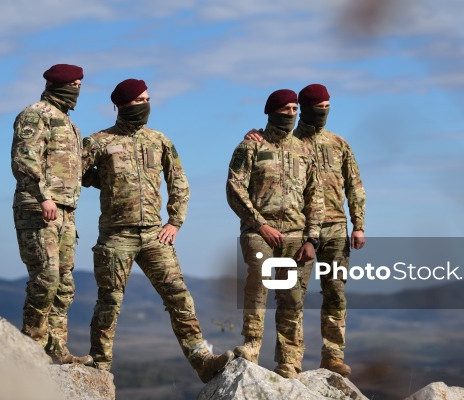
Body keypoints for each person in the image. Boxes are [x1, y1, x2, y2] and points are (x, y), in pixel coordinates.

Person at [81, 78, 234, 383]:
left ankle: (202, 360)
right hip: (116, 236)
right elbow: (73, 171)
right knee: (109, 303)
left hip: (155, 235)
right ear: (123, 105)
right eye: (140, 100)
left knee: (179, 297)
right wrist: (103, 181)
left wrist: (175, 222)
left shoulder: (159, 140)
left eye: (148, 99)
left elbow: (179, 182)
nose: (146, 105)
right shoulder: (98, 142)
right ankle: (99, 370)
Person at [244, 84, 366, 377]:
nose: (323, 111)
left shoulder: (339, 144)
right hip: (298, 229)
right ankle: (290, 359)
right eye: (318, 107)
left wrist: (358, 224)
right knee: (292, 295)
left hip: (335, 228)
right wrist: (255, 134)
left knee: (335, 292)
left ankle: (333, 355)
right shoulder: (288, 140)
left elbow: (355, 186)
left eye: (327, 106)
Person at [226, 89, 324, 378]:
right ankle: (252, 346)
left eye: (295, 109)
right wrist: (259, 224)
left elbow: (314, 196)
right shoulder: (250, 147)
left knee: (292, 298)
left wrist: (312, 238)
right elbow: (234, 188)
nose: (292, 114)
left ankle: (289, 361)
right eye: (286, 109)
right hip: (259, 231)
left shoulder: (304, 150)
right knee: (258, 284)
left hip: (297, 236)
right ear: (271, 112)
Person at [11, 64, 92, 365]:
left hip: (66, 213)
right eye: (73, 84)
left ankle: (56, 348)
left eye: (79, 85)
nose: (77, 90)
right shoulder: (35, 114)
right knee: (45, 277)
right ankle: (31, 344)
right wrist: (44, 196)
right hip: (38, 207)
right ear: (58, 85)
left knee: (64, 284)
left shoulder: (70, 124)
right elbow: (24, 159)